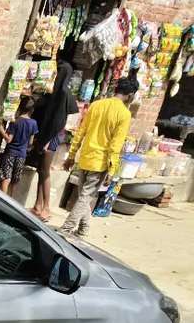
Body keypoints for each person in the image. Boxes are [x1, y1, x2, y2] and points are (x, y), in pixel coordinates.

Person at [59, 76, 139, 237]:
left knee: (85, 197)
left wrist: (72, 155)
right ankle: (67, 229)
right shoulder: (124, 114)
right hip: (100, 162)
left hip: (85, 158)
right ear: (130, 95)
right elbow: (115, 145)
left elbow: (80, 132)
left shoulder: (96, 105)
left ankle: (83, 230)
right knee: (85, 197)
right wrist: (112, 169)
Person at [29, 59, 78, 222]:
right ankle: (37, 205)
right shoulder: (56, 91)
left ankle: (46, 208)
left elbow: (60, 122)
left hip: (52, 138)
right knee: (40, 170)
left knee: (45, 172)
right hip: (46, 135)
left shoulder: (63, 94)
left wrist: (49, 141)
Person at [0, 97, 39, 195]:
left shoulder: (16, 121)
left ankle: (3, 200)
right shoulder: (33, 123)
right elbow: (31, 142)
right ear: (32, 110)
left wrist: (0, 127)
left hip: (10, 153)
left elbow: (8, 139)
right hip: (22, 155)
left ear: (20, 107)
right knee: (15, 180)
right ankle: (10, 201)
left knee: (6, 177)